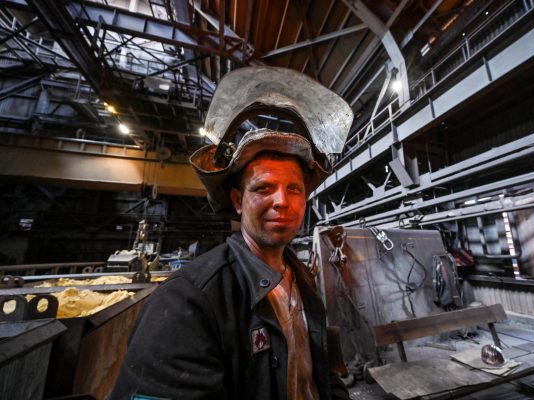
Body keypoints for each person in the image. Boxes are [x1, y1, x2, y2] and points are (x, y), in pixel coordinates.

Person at [110, 67, 353, 400]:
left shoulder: (303, 281)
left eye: (293, 188)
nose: (282, 201)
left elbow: (320, 372)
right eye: (264, 187)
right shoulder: (189, 300)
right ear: (238, 200)